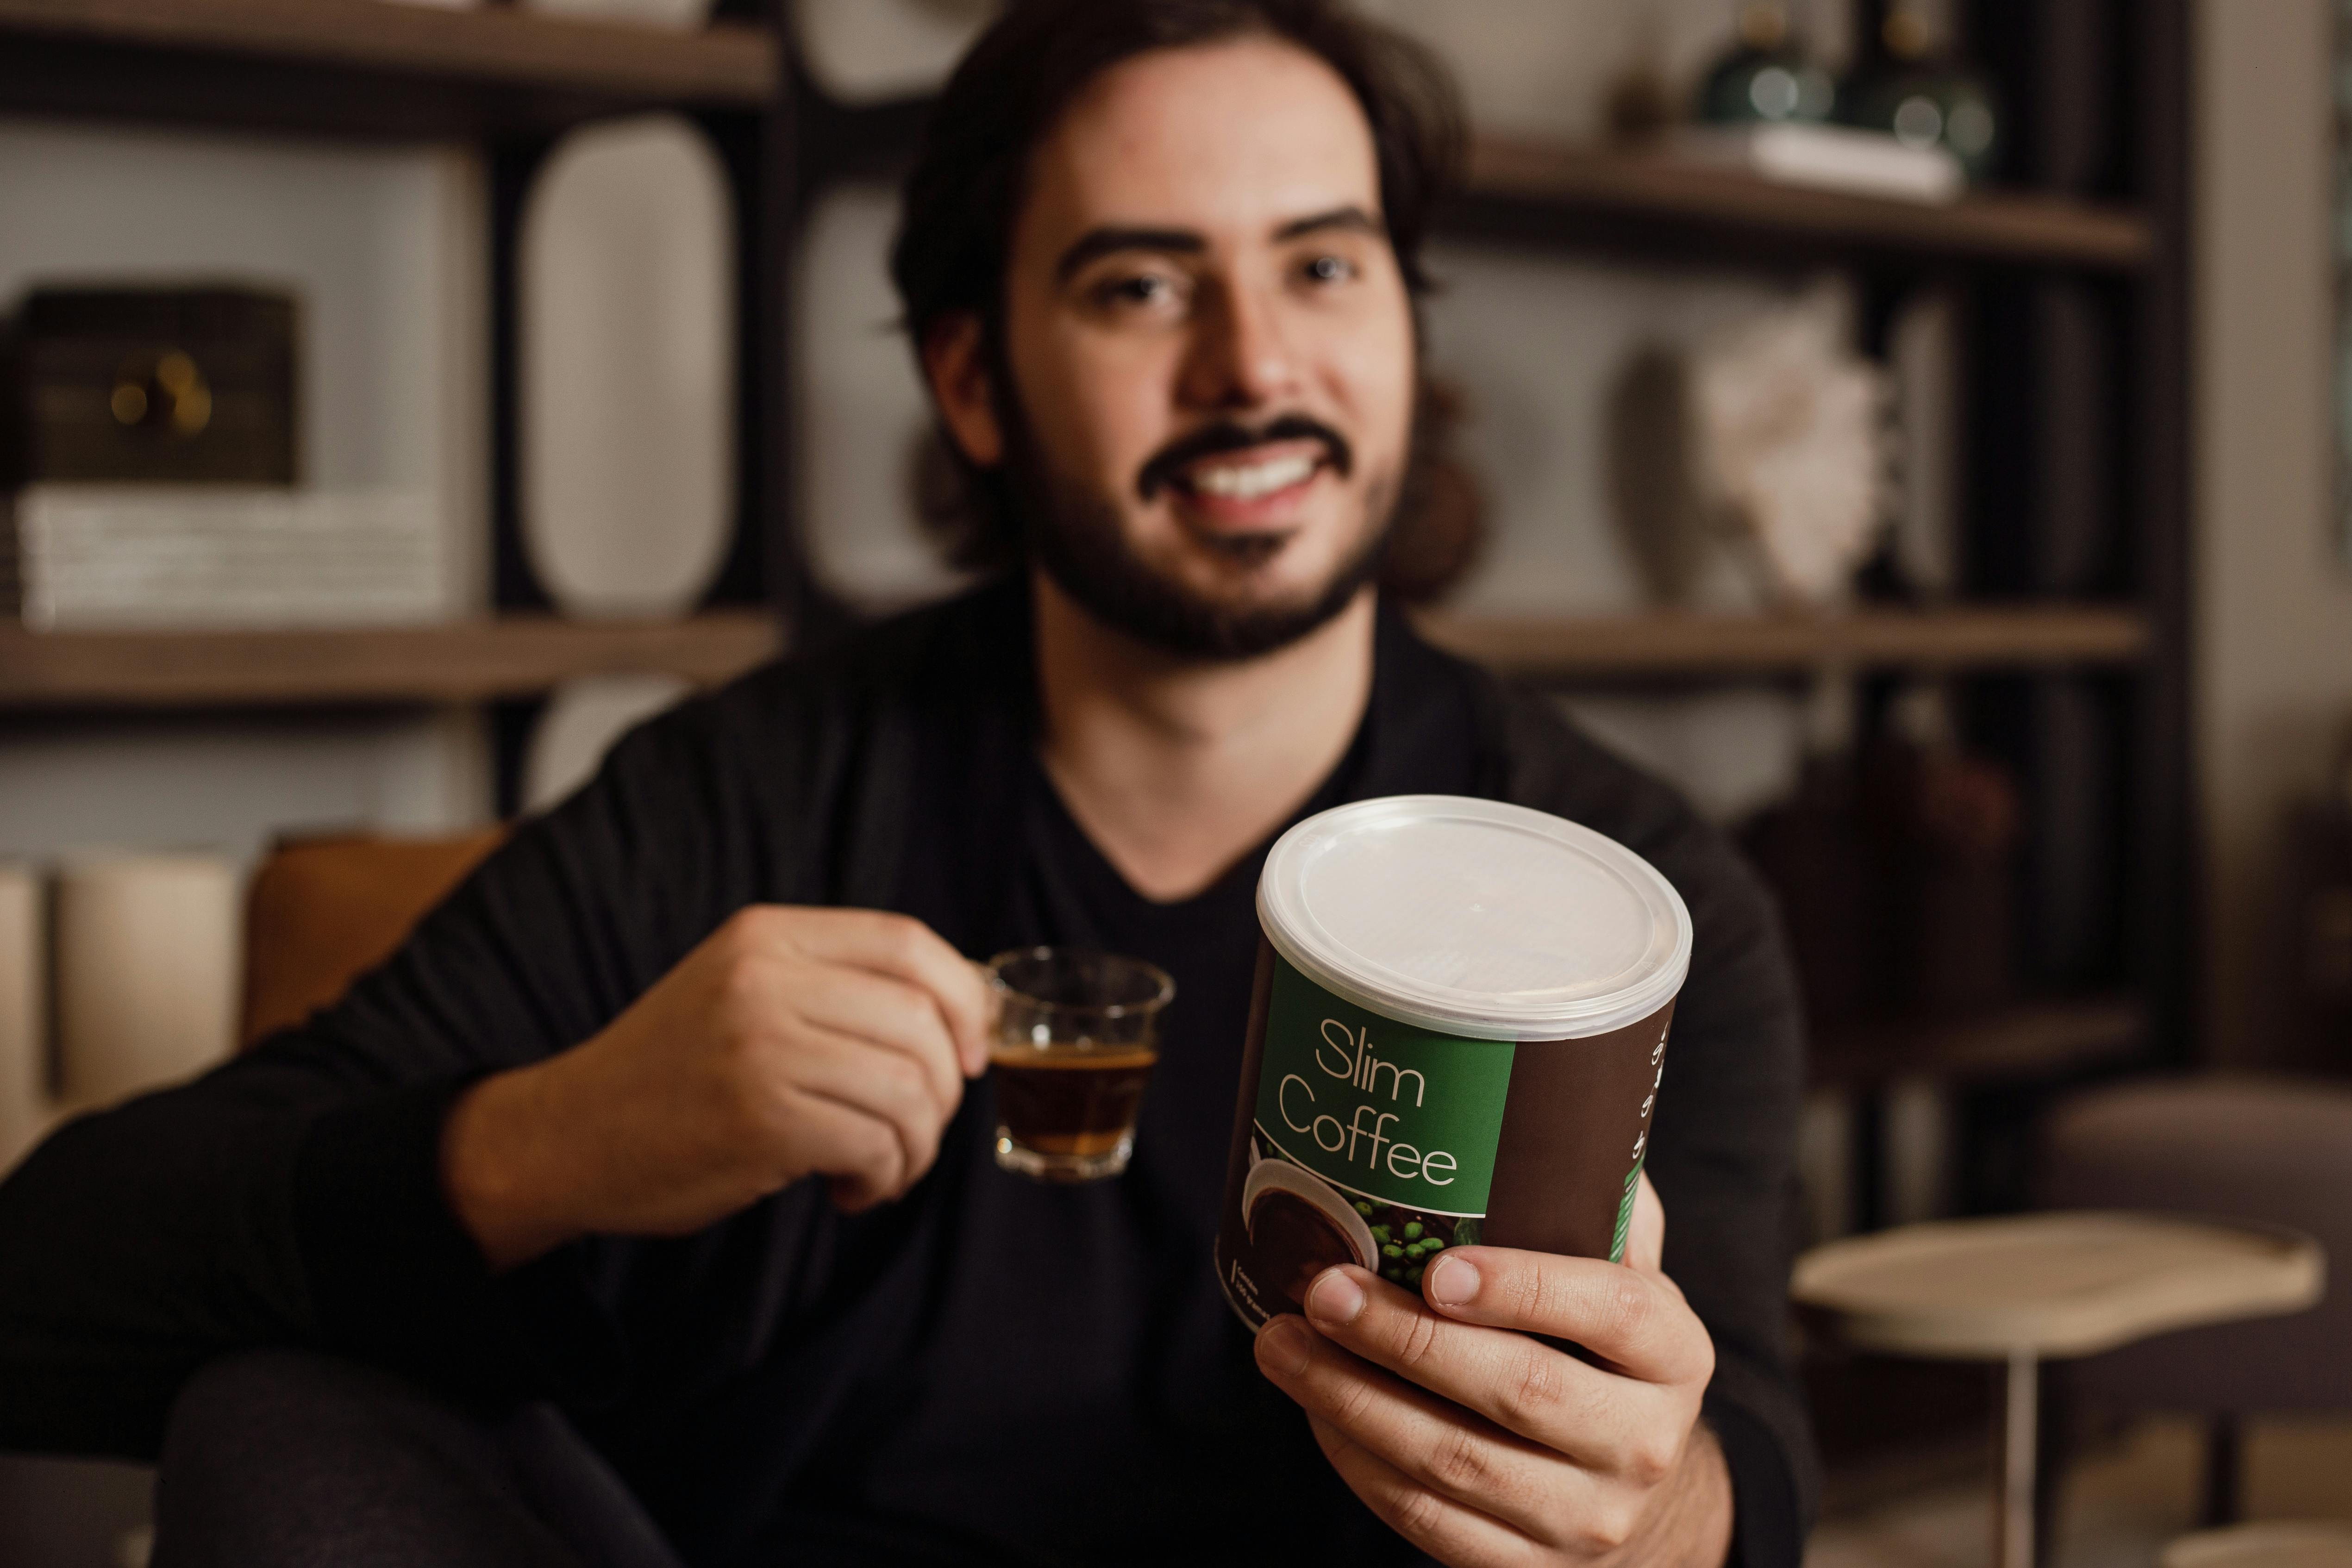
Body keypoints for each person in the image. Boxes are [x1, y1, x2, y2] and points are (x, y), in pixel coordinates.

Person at [0, 2, 1814, 1563]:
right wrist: (555, 1139)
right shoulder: (745, 801)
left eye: (1323, 264)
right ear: (972, 380)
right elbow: (50, 1289)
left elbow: (1742, 1486)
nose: (1254, 364)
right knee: (279, 1415)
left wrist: (1640, 1511)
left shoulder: (1623, 900)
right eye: (1139, 282)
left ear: (1405, 330)